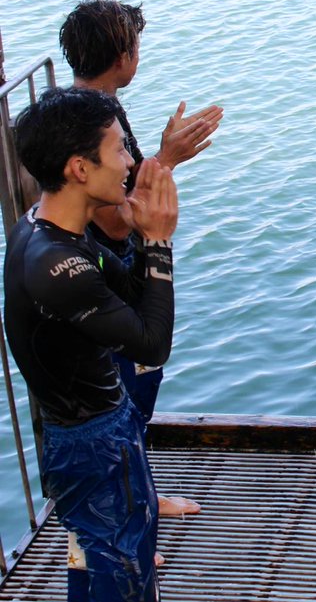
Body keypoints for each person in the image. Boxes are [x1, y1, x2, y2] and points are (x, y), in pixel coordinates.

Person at [4, 87, 179, 601]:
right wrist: (160, 243)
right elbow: (151, 344)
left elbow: (130, 292)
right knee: (121, 574)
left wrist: (139, 235)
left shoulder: (54, 231)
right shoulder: (57, 266)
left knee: (114, 558)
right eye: (121, 148)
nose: (131, 161)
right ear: (80, 168)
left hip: (102, 426)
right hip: (89, 442)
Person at [59, 0, 221, 520]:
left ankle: (139, 498)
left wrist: (156, 159)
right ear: (123, 54)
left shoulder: (74, 111)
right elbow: (112, 215)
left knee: (126, 396)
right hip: (113, 277)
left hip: (105, 274)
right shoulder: (95, 119)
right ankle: (126, 515)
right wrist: (167, 160)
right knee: (127, 394)